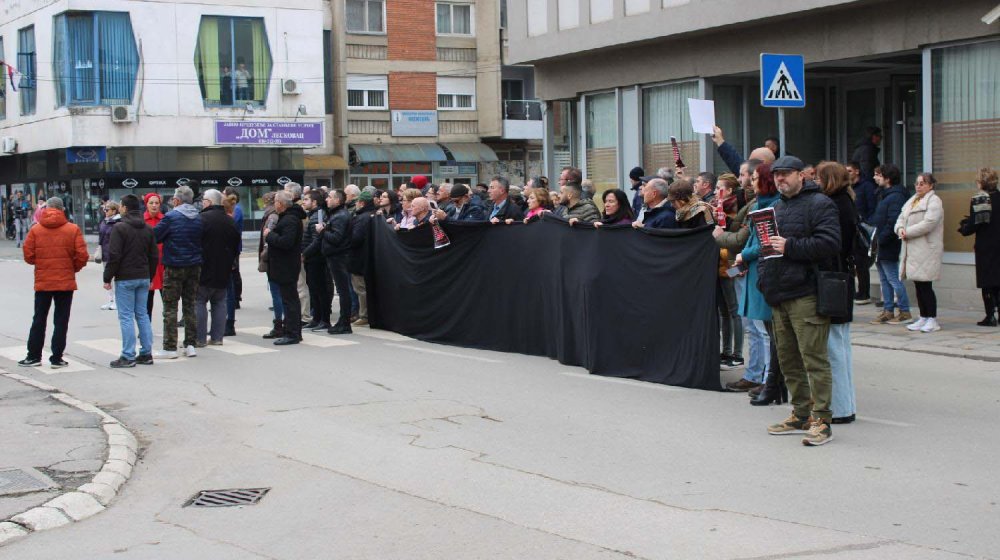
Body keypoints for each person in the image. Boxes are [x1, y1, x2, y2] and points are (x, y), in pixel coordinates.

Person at [759, 156, 841, 446]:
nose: (781, 179)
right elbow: (767, 249)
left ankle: (822, 420)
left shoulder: (820, 204)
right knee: (788, 359)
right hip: (778, 293)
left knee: (813, 359)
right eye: (777, 175)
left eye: (786, 174)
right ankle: (800, 413)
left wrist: (791, 246)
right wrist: (763, 278)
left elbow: (831, 243)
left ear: (801, 176)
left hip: (806, 292)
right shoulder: (777, 207)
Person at [19, 197, 89, 368]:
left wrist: (41, 263)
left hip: (43, 282)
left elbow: (28, 255)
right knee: (61, 320)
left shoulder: (36, 230)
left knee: (39, 318)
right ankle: (56, 357)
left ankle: (33, 356)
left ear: (46, 208)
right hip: (65, 282)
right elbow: (82, 256)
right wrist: (73, 268)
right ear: (62, 209)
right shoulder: (72, 229)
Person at [734, 164, 782, 400]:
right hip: (754, 269)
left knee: (765, 330)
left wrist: (745, 255)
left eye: (754, 179)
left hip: (764, 271)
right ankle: (760, 377)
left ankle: (769, 380)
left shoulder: (773, 205)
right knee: (756, 327)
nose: (751, 183)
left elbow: (764, 241)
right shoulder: (760, 203)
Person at [816, 161, 858, 424]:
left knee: (833, 348)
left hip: (833, 279)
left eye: (820, 178)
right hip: (842, 278)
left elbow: (832, 245)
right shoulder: (846, 202)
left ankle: (841, 408)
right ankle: (847, 404)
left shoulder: (835, 205)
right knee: (841, 345)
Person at [103, 195, 158, 368]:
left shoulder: (119, 228)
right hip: (143, 276)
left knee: (126, 316)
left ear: (125, 208)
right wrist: (150, 275)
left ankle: (128, 355)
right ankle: (146, 353)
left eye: (120, 205)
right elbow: (154, 256)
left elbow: (114, 256)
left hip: (126, 277)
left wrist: (107, 277)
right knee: (142, 314)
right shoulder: (148, 228)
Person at [153, 185, 204, 359]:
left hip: (174, 266)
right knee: (190, 305)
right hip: (194, 266)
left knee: (170, 306)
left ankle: (170, 347)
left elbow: (156, 236)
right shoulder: (198, 217)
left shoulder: (171, 217)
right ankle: (190, 344)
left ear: (176, 200)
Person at [897, 173, 944, 333]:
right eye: (917, 183)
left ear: (931, 186)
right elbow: (901, 218)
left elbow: (929, 223)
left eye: (923, 183)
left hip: (926, 249)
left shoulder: (934, 201)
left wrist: (907, 232)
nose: (918, 186)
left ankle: (932, 318)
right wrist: (900, 229)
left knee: (925, 285)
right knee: (918, 284)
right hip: (913, 249)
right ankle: (923, 316)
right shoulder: (912, 200)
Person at [195, 189, 241, 347]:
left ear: (208, 202)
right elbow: (236, 245)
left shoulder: (201, 219)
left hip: (203, 266)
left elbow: (196, 242)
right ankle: (217, 337)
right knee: (219, 302)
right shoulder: (230, 221)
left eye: (203, 200)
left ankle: (199, 339)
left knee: (199, 301)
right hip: (224, 267)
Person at [869, 164, 911, 325]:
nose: (875, 177)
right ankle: (888, 310)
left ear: (887, 178)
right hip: (881, 242)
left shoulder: (896, 196)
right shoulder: (885, 195)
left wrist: (881, 239)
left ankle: (904, 310)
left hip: (888, 243)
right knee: (884, 279)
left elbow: (892, 221)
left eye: (878, 175)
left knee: (893, 278)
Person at [960, 168, 1000, 326]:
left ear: (981, 182)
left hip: (986, 245)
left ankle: (990, 316)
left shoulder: (980, 199)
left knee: (987, 281)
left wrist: (964, 227)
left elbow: (977, 223)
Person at [265, 191, 306, 344]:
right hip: (284, 264)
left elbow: (286, 242)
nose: (274, 204)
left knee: (290, 300)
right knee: (289, 299)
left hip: (287, 265)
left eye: (275, 201)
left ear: (280, 204)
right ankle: (291, 331)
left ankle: (293, 333)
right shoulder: (287, 218)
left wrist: (270, 235)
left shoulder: (290, 219)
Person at [713, 174, 743, 371]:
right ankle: (726, 350)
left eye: (719, 188)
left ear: (729, 191)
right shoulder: (718, 210)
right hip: (720, 267)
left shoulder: (735, 212)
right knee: (724, 312)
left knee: (734, 311)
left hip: (732, 266)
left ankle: (737, 354)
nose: (716, 192)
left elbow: (735, 241)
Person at [318, 189, 353, 335]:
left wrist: (323, 230)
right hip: (337, 256)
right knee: (343, 290)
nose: (327, 199)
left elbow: (336, 238)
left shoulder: (340, 216)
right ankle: (343, 321)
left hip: (339, 257)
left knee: (343, 290)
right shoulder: (338, 214)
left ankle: (344, 322)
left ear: (338, 200)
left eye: (330, 197)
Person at [300, 190, 332, 331]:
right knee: (314, 289)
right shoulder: (312, 215)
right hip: (312, 258)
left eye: (306, 199)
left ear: (314, 202)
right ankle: (317, 318)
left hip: (316, 259)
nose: (303, 202)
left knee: (320, 290)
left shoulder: (317, 216)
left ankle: (324, 319)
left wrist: (304, 254)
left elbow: (317, 240)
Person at [846, 161, 877, 305]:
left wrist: (868, 224)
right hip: (851, 227)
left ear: (857, 171)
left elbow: (872, 207)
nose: (848, 174)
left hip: (863, 228)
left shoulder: (866, 187)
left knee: (862, 262)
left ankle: (864, 292)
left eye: (850, 171)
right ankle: (854, 291)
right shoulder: (847, 188)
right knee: (851, 262)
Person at [258, 191, 286, 339]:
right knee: (279, 293)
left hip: (273, 259)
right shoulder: (273, 215)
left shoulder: (272, 216)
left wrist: (264, 255)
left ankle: (279, 324)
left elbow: (268, 238)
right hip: (273, 258)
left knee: (277, 294)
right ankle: (282, 322)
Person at [349, 191, 376, 327]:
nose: (356, 205)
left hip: (359, 257)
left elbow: (356, 238)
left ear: (362, 203)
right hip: (367, 256)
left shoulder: (362, 217)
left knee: (360, 288)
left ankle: (364, 315)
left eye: (357, 202)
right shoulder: (372, 215)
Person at [223, 186, 243, 332]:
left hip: (229, 254)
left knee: (229, 286)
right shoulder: (228, 217)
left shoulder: (235, 213)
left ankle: (229, 321)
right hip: (230, 253)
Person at [143, 193, 166, 321]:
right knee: (147, 299)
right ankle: (146, 328)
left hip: (163, 264)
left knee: (167, 299)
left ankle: (169, 328)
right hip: (148, 265)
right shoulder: (142, 221)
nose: (154, 205)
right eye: (151, 203)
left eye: (156, 203)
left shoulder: (165, 220)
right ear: (146, 204)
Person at [98, 201, 122, 311]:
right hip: (105, 253)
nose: (105, 211)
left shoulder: (118, 222)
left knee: (115, 279)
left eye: (107, 209)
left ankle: (117, 301)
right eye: (104, 209)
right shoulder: (104, 221)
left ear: (114, 210)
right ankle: (111, 300)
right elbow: (101, 238)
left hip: (114, 254)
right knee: (107, 279)